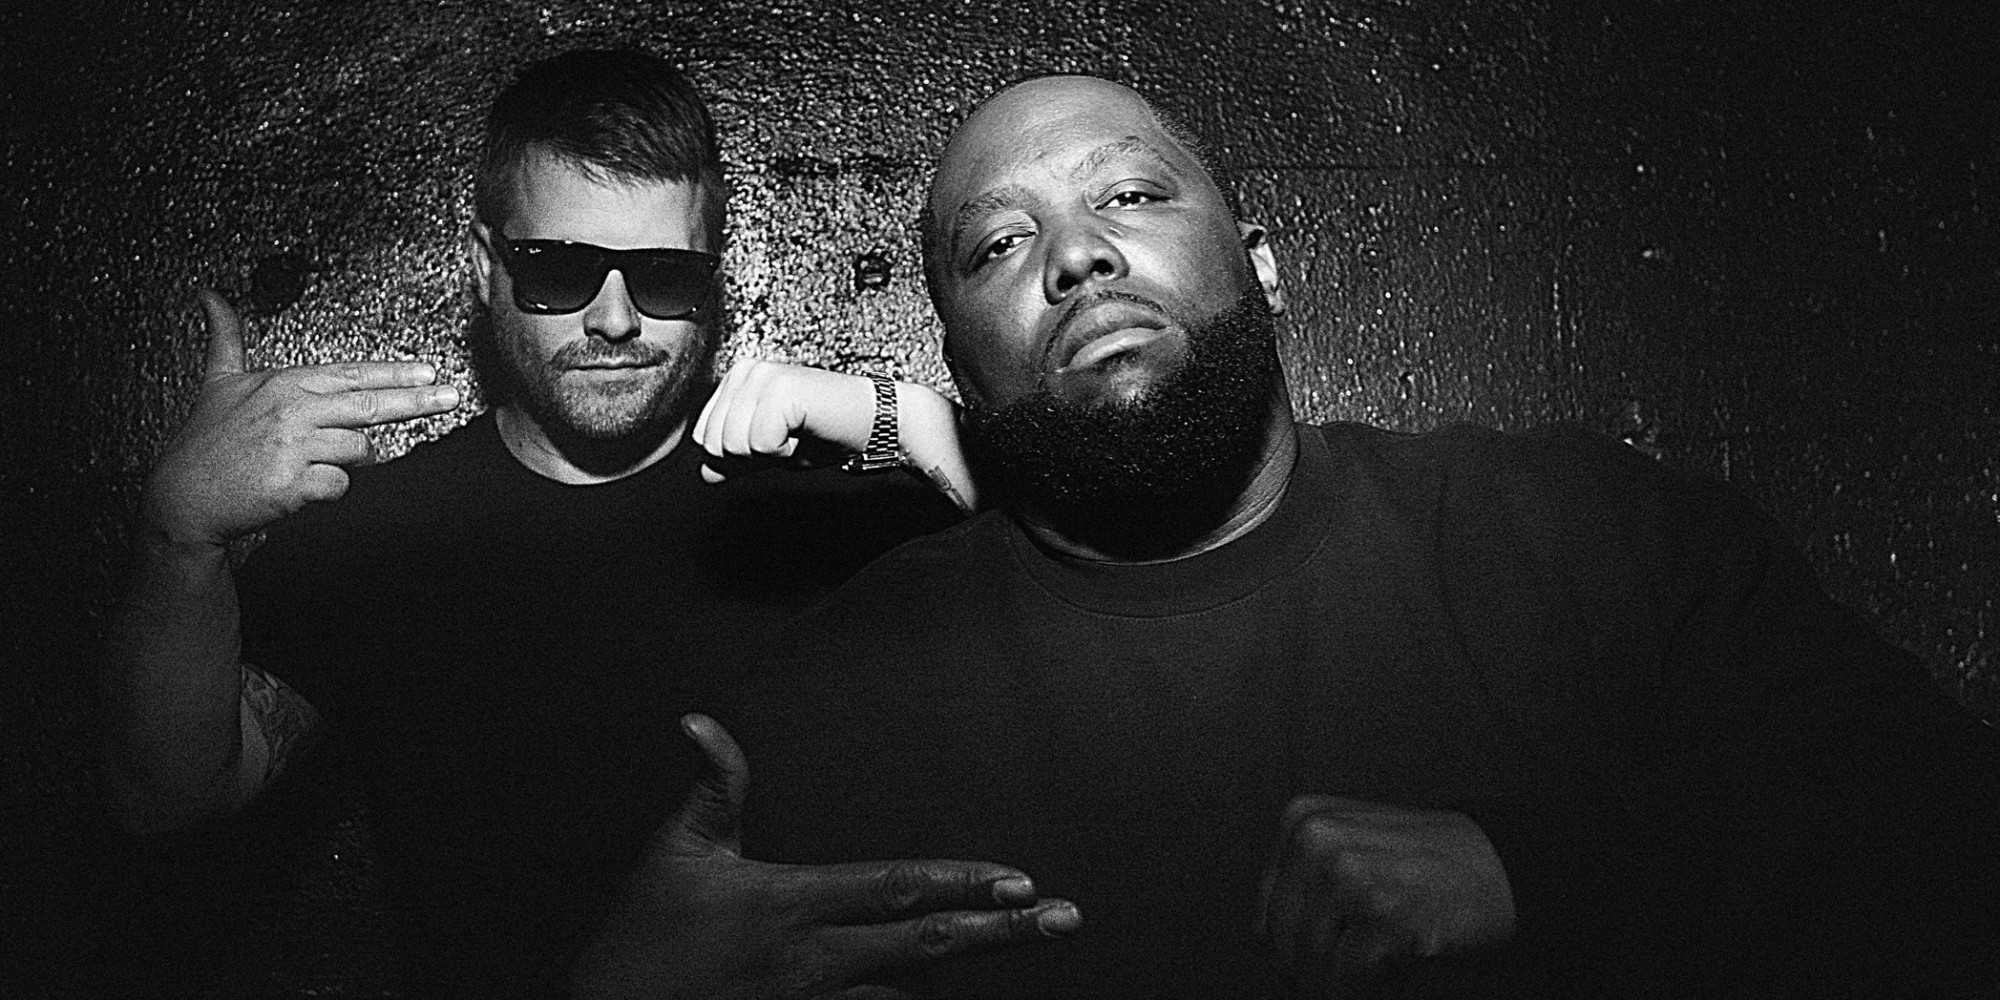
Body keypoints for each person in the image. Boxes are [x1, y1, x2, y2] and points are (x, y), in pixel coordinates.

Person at [575, 75, 2000, 998]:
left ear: (1259, 265)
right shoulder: (833, 704)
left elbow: (1944, 844)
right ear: (957, 357)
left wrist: (1542, 872)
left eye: (1130, 194)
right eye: (999, 244)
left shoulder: (1587, 542)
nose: (1076, 254)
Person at [98, 49, 1044, 997]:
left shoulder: (821, 498)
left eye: (663, 275)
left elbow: (1079, 588)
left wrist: (911, 424)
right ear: (485, 266)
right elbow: (166, 796)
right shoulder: (385, 533)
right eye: (560, 269)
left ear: (713, 275)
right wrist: (179, 538)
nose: (616, 318)